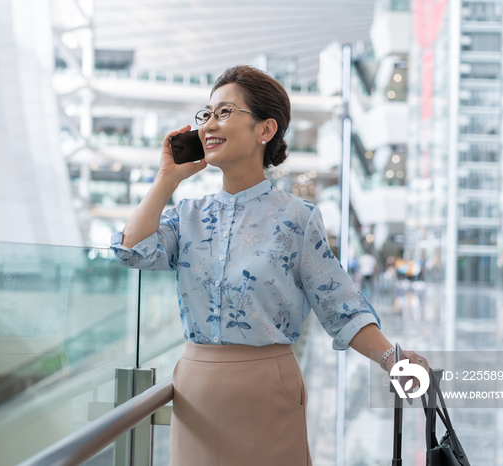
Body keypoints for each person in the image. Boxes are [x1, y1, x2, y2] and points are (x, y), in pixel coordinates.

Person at [110, 65, 428, 466]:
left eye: (225, 112)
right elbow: (131, 251)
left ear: (265, 130)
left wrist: (392, 359)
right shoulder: (187, 214)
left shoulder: (297, 218)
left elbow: (339, 305)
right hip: (196, 393)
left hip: (268, 393)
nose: (209, 123)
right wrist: (167, 179)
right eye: (206, 114)